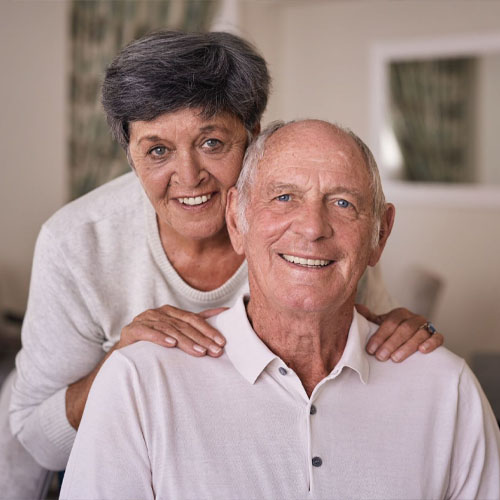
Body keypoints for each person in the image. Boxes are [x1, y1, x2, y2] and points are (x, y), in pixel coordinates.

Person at [2, 31, 442, 497]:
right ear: (129, 156)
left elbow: (375, 345)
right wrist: (117, 365)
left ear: (253, 137)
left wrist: (406, 335)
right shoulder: (76, 244)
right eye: (157, 151)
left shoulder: (309, 237)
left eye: (212, 143)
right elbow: (38, 442)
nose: (189, 177)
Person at [60, 119, 500, 500]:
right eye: (284, 197)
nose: (312, 228)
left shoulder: (447, 388)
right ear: (237, 221)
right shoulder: (139, 381)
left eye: (343, 203)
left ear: (379, 235)